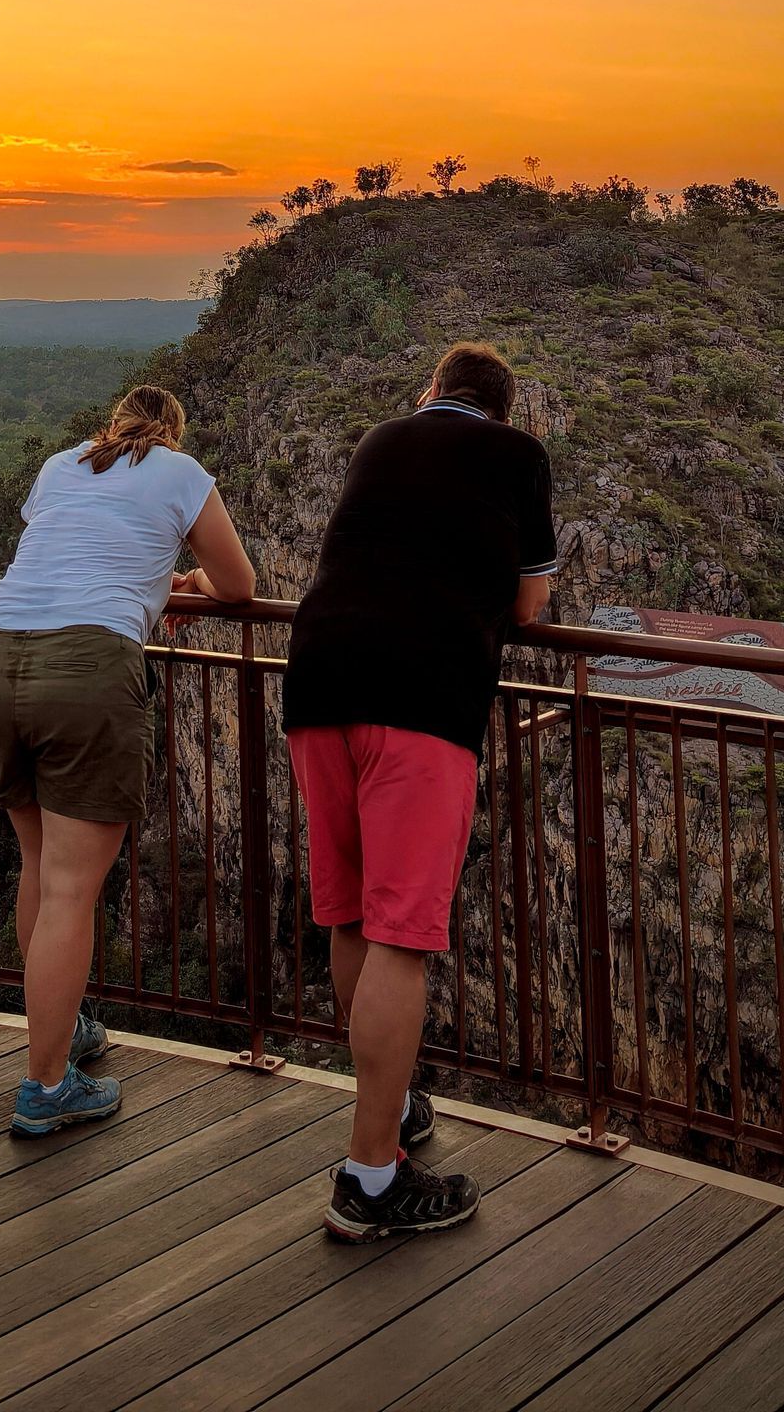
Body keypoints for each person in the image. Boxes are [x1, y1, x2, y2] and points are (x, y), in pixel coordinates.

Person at [282, 341, 559, 1240]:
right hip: (425, 700)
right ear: (504, 411)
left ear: (433, 392)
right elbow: (528, 609)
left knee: (355, 917)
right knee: (403, 933)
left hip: (317, 685)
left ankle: (392, 1112)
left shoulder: (379, 437)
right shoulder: (518, 457)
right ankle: (369, 1181)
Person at [0, 383, 256, 1136]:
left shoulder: (62, 466)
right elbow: (240, 586)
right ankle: (45, 1086)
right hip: (88, 663)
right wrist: (180, 580)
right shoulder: (181, 473)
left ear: (113, 425)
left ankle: (64, 1036)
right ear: (172, 432)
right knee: (70, 890)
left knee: (37, 864)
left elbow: (72, 547)